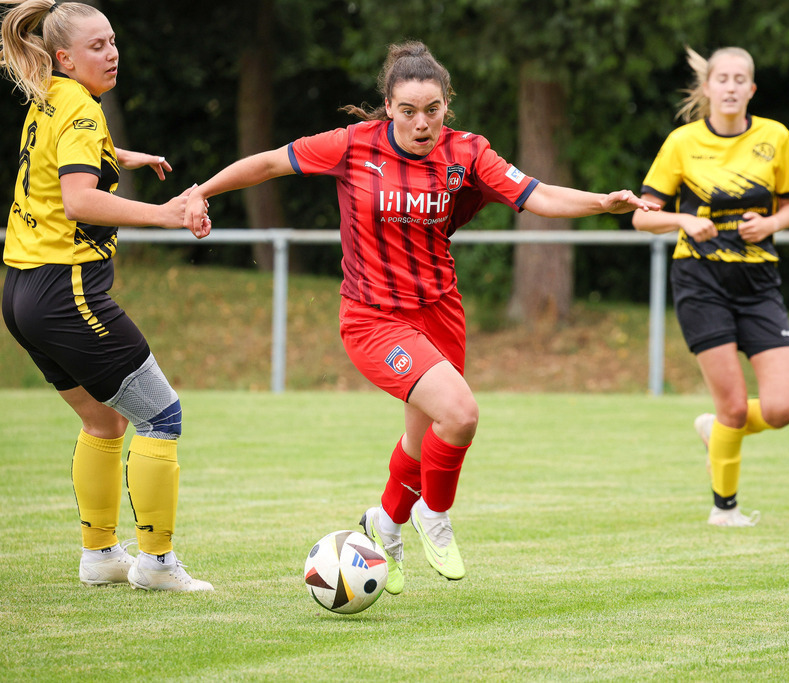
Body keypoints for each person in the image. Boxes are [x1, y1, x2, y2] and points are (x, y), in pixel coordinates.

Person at [184, 41, 657, 593]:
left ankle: (383, 521)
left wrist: (603, 203)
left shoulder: (467, 152)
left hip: (440, 311)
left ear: (446, 106)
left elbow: (536, 194)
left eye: (432, 109)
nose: (421, 121)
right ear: (388, 106)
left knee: (422, 438)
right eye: (408, 110)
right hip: (373, 318)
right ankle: (434, 510)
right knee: (459, 415)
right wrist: (203, 190)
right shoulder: (353, 146)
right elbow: (268, 162)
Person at [1, 0, 213, 590]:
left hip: (21, 293)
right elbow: (79, 201)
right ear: (65, 57)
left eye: (114, 41)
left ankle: (100, 556)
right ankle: (158, 564)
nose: (113, 52)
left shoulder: (51, 96)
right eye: (98, 46)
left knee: (103, 421)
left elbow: (61, 161)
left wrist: (122, 157)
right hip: (66, 290)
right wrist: (167, 215)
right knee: (160, 414)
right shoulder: (81, 108)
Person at [632, 46, 789, 527]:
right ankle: (724, 510)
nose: (730, 86)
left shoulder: (776, 136)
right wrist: (685, 219)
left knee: (783, 407)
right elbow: (643, 220)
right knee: (732, 405)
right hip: (700, 280)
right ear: (707, 88)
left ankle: (716, 430)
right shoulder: (682, 142)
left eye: (739, 79)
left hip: (758, 280)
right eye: (721, 78)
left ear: (752, 89)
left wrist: (768, 225)